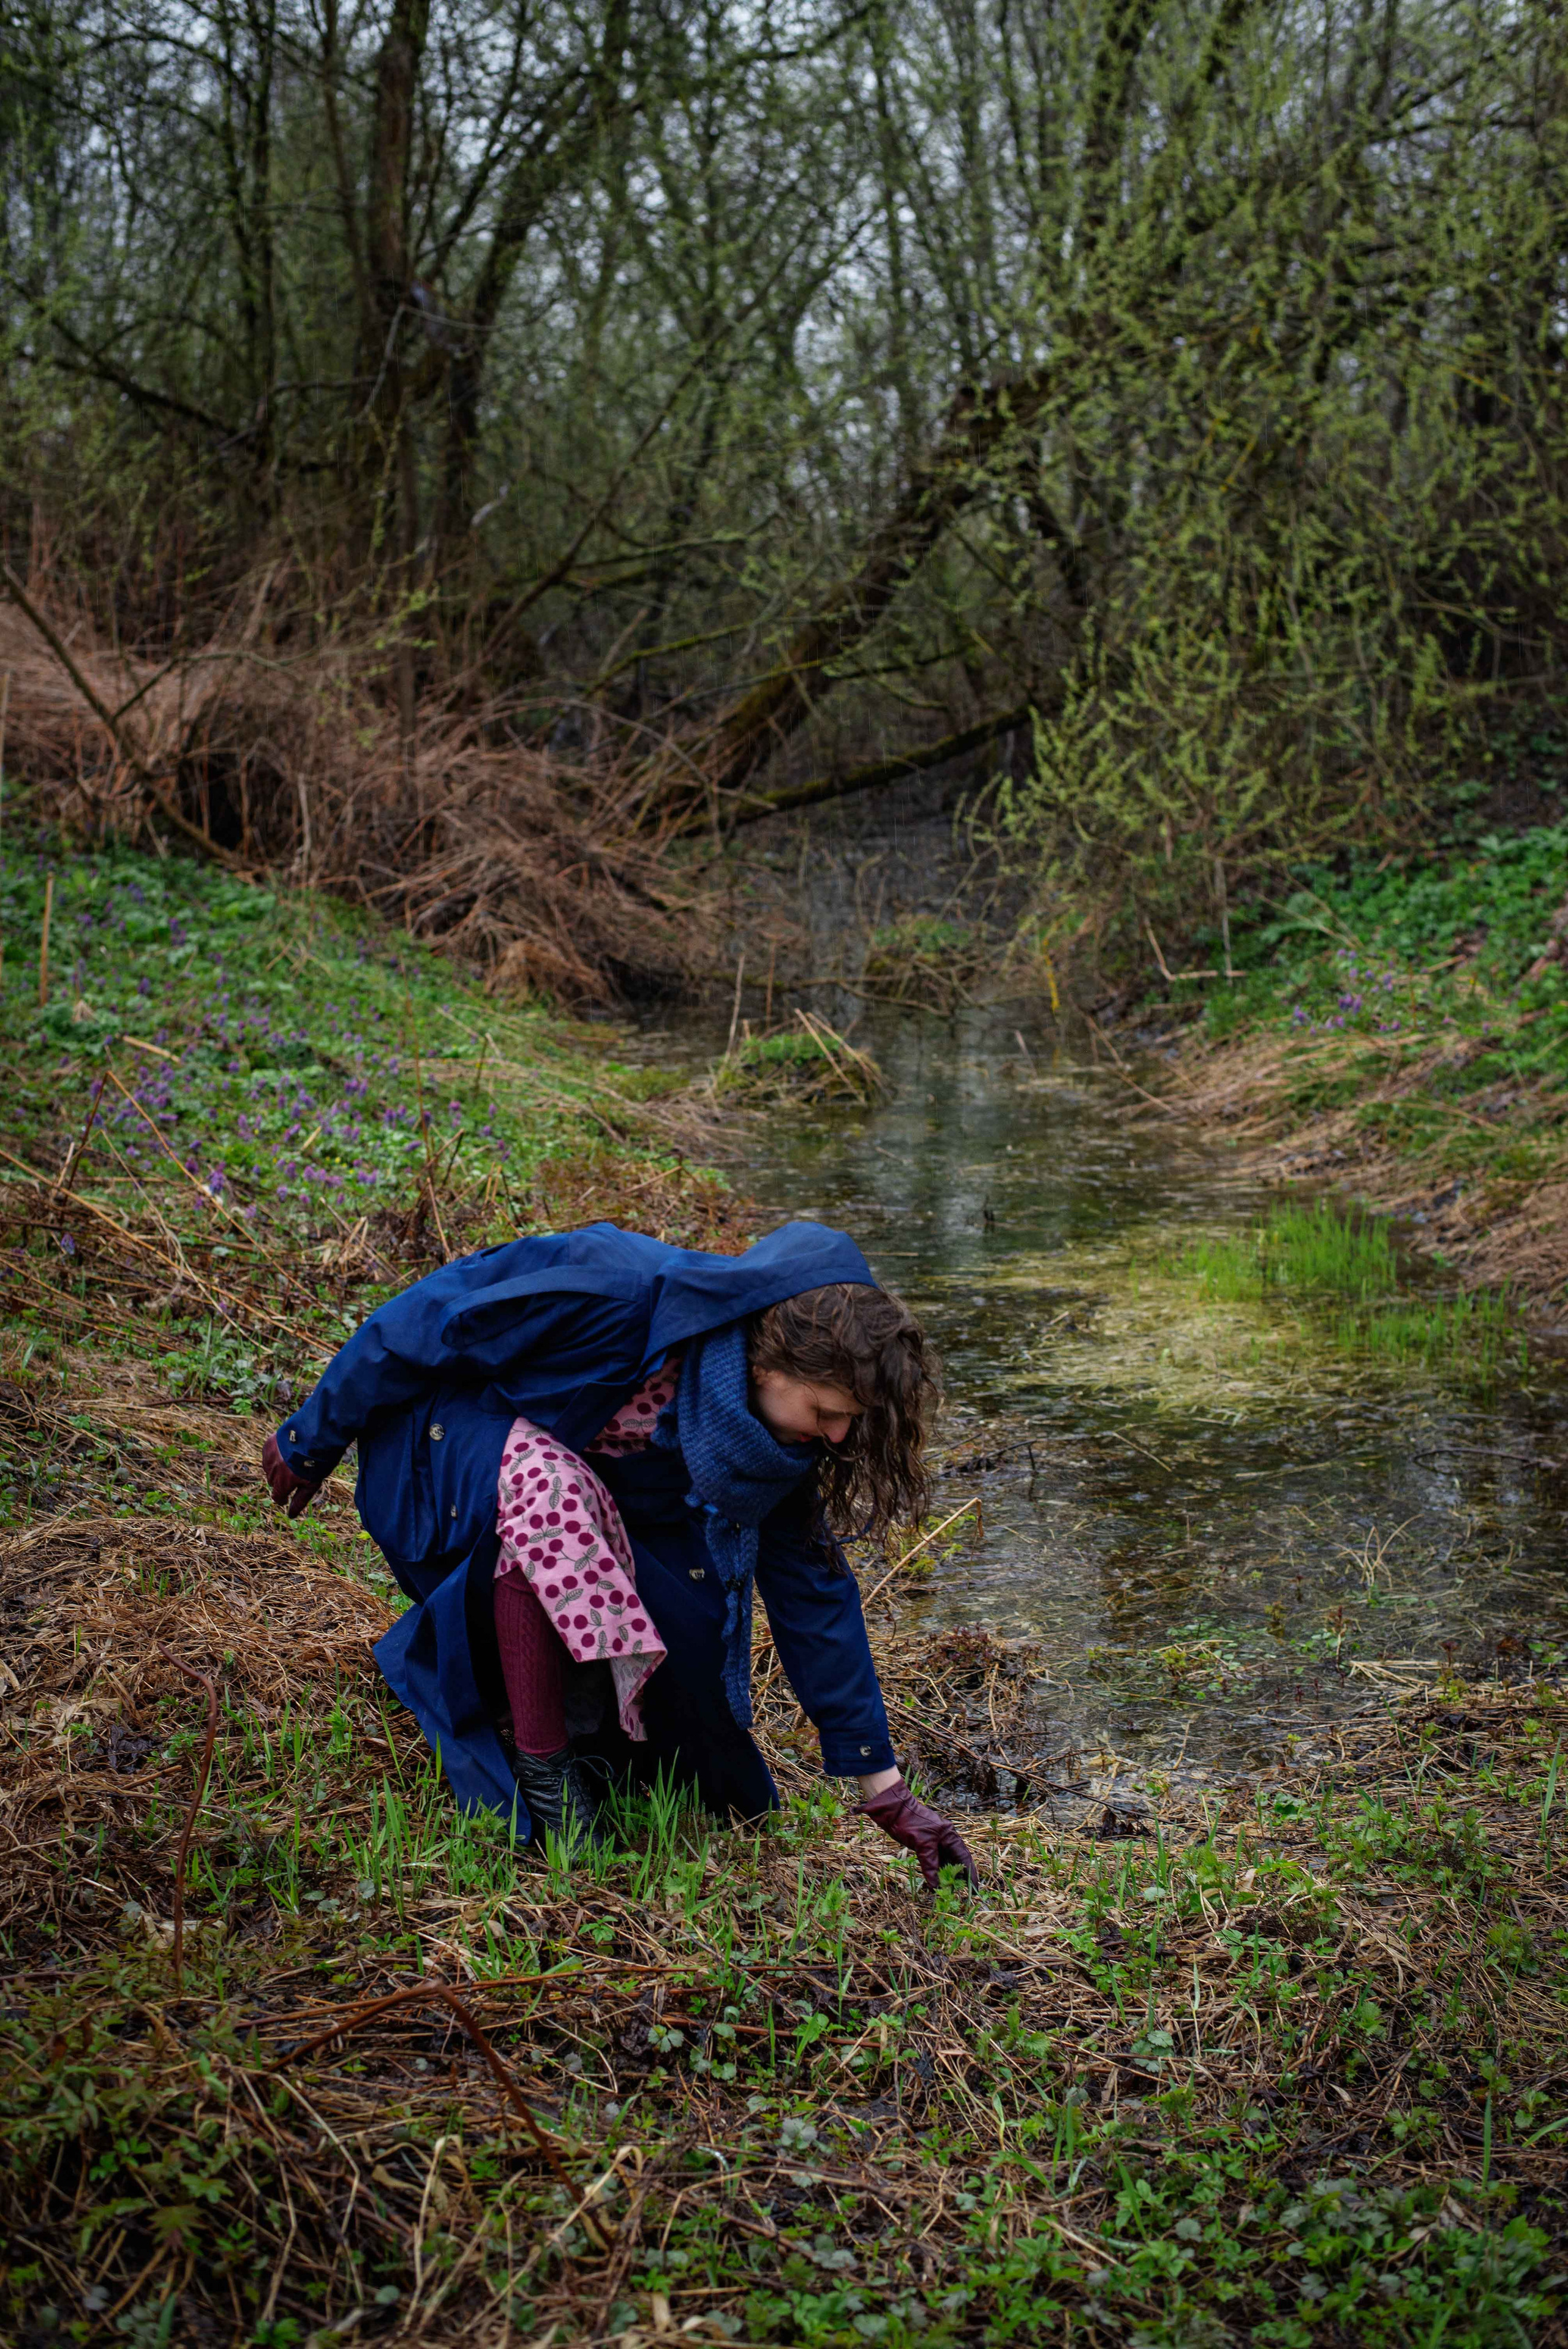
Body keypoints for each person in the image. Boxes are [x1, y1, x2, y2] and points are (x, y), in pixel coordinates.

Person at [262, 1219, 978, 1888]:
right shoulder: (617, 1289)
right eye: (827, 1413)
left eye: (851, 1421)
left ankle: (554, 1705)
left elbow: (814, 1597)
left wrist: (885, 1790)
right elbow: (427, 1318)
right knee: (555, 1486)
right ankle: (546, 1773)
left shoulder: (768, 1450)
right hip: (439, 1469)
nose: (840, 1438)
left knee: (702, 1734)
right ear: (769, 1364)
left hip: (554, 1521)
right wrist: (312, 1439)